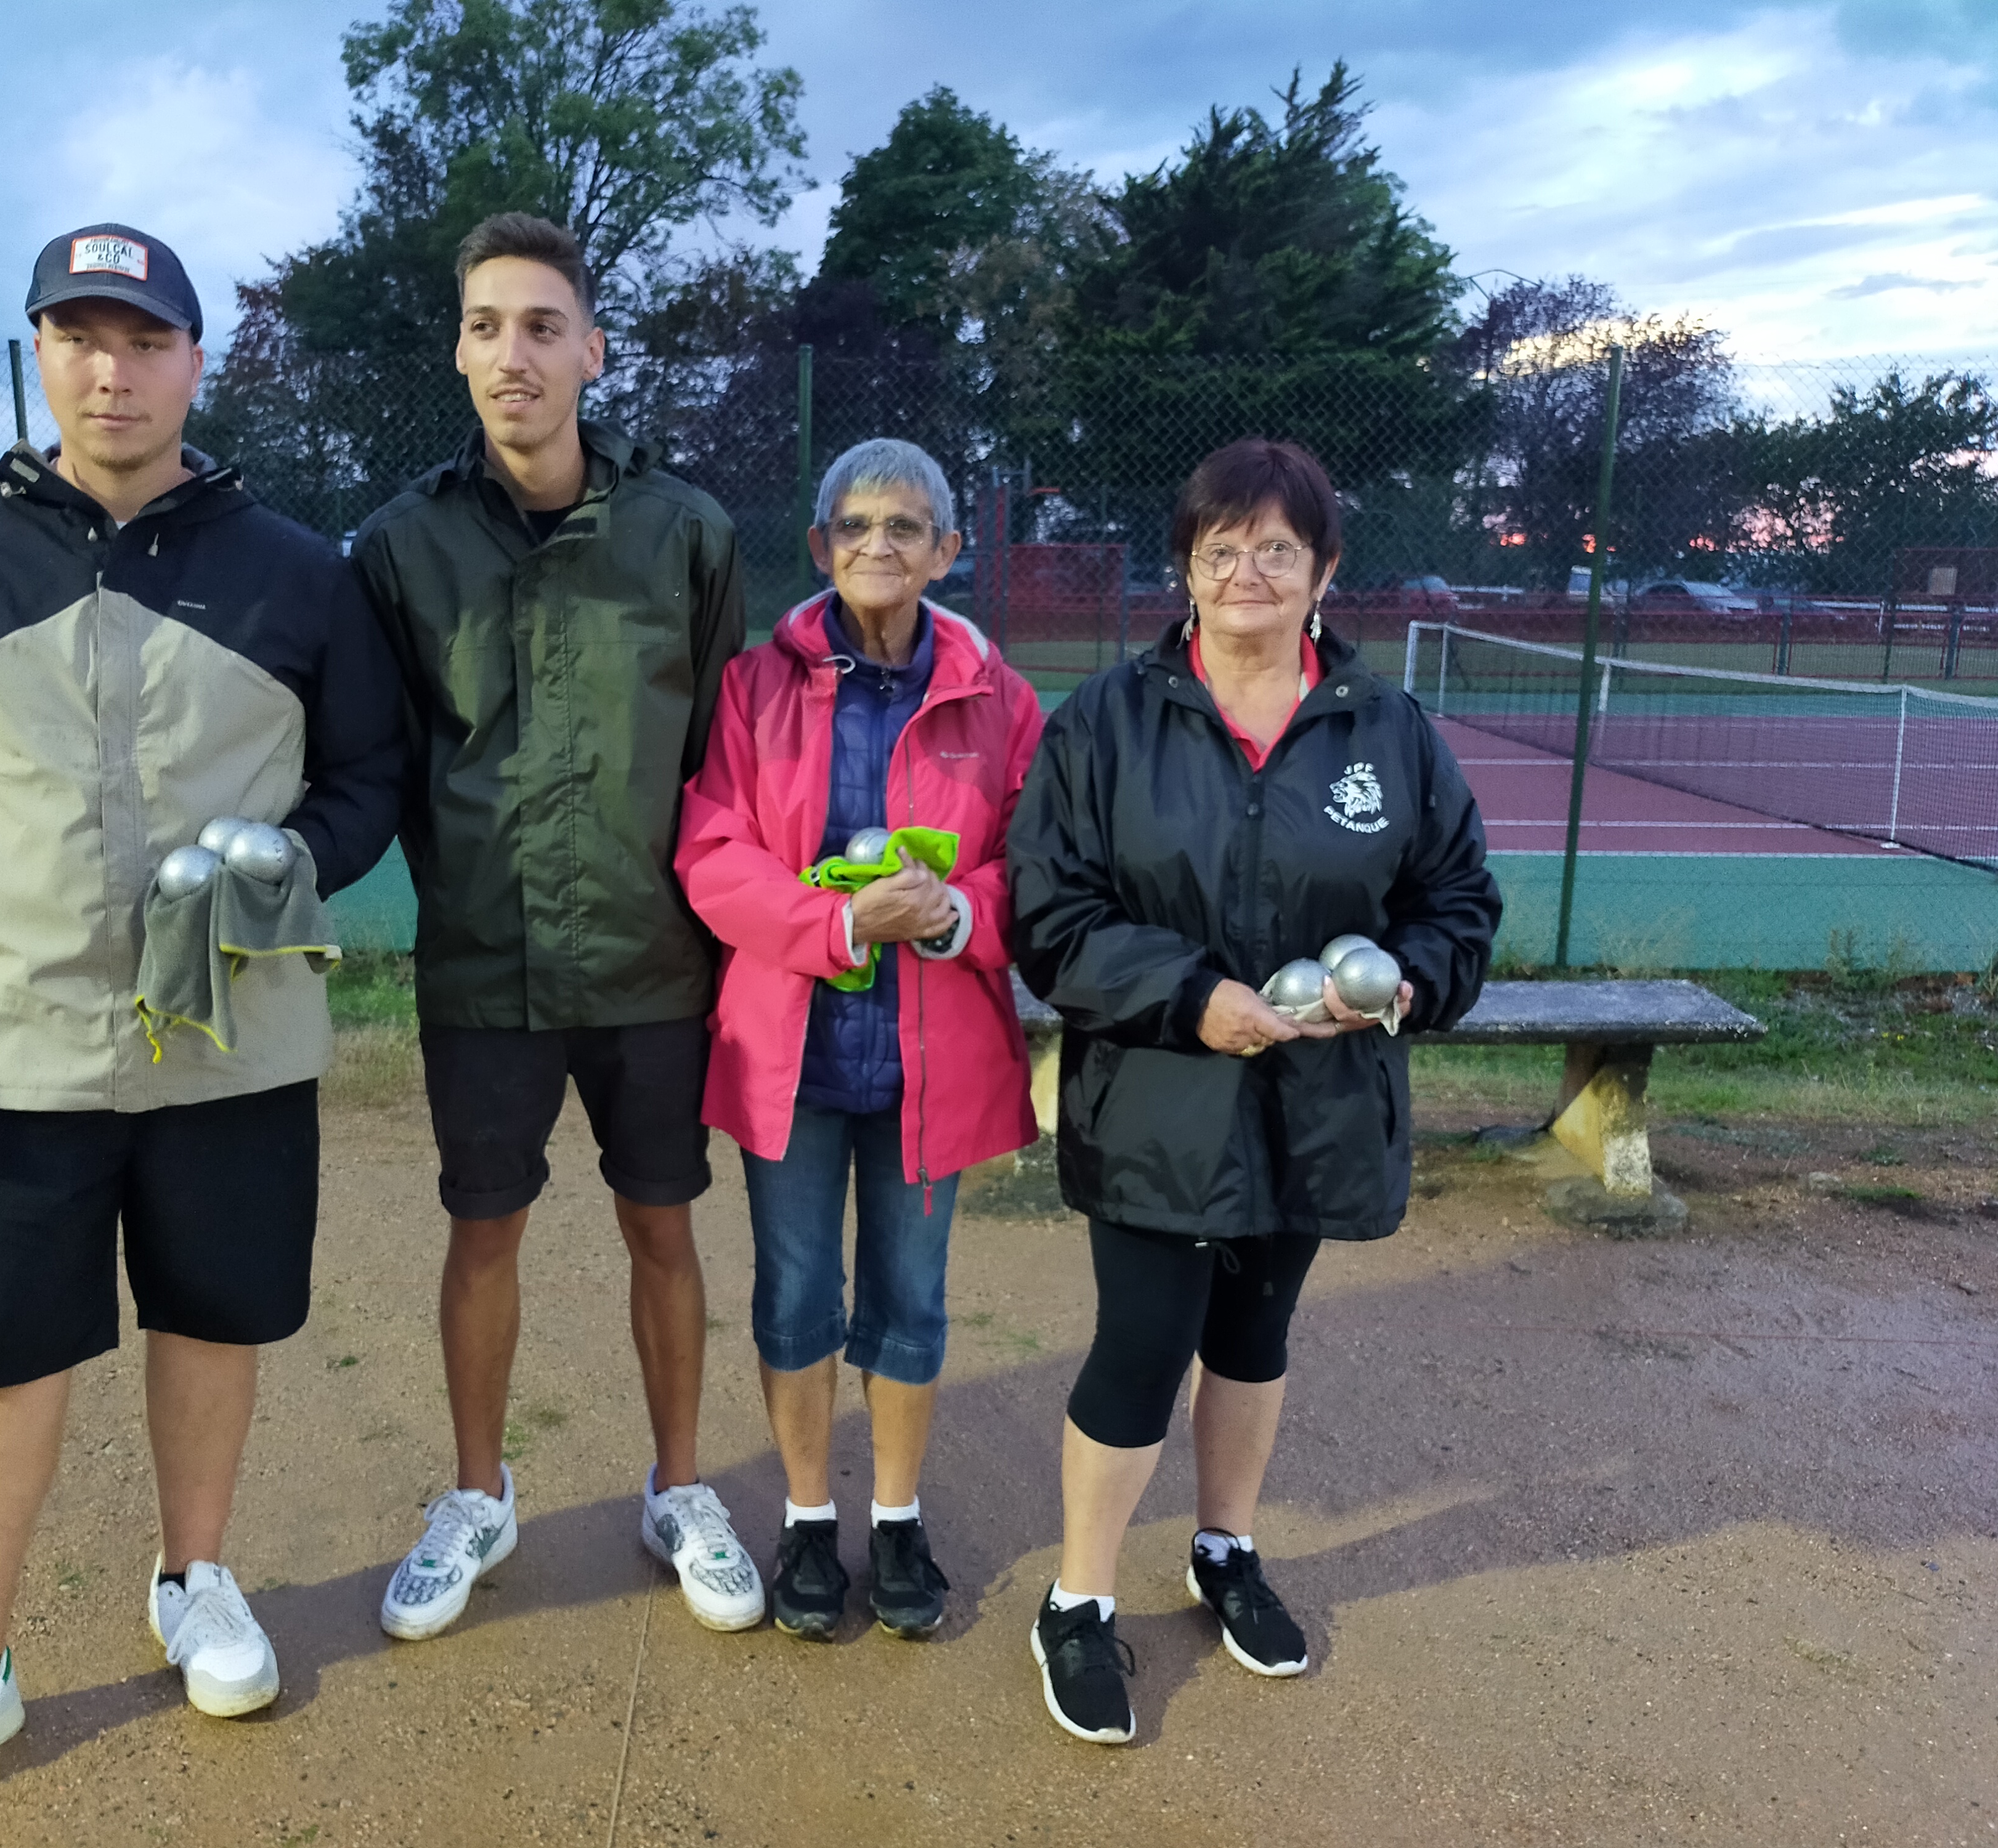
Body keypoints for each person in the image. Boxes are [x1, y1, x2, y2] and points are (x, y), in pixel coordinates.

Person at [0, 224, 403, 1840]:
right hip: (13, 1053)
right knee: (0, 1363)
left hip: (233, 1046)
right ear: (40, 356)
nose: (111, 369)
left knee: (214, 1322)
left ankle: (196, 1581)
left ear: (199, 363)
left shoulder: (298, 569)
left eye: (145, 339)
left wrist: (295, 864)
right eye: (79, 337)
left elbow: (363, 784)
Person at [1007, 437, 1500, 1745]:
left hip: (1318, 1103)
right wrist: (1189, 996)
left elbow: (1458, 905)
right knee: (1139, 1343)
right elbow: (1048, 917)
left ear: (1323, 570)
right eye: (1219, 549)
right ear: (1183, 567)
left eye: (1275, 549)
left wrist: (1400, 979)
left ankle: (1222, 1551)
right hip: (1159, 1097)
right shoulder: (1104, 723)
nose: (1245, 572)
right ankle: (1076, 1602)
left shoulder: (1386, 731)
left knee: (1254, 1335)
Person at [355, 213, 762, 1639]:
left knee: (663, 1222)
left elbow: (726, 751)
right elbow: (385, 758)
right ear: (458, 350)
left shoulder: (687, 533)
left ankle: (677, 1489)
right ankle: (478, 1495)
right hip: (482, 966)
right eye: (484, 326)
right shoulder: (399, 546)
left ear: (592, 350)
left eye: (541, 326)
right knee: (483, 1231)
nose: (511, 353)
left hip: (655, 966)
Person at [678, 439, 1043, 1641]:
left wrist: (952, 917)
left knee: (910, 1303)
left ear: (948, 549)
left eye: (905, 526)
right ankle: (800, 1517)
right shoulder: (754, 687)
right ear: (820, 546)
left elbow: (1032, 867)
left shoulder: (1001, 698)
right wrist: (835, 921)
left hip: (931, 1061)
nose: (877, 547)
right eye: (854, 526)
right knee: (793, 1299)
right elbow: (712, 855)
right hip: (792, 1058)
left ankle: (893, 1518)